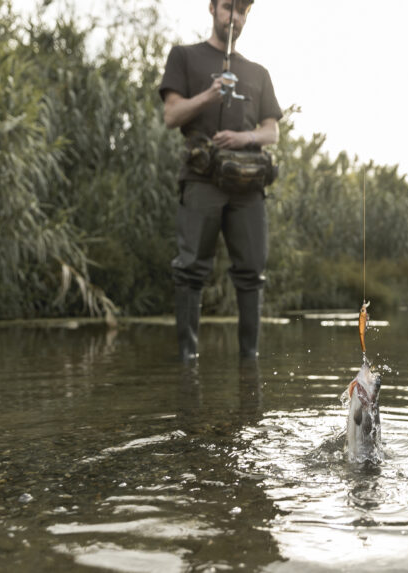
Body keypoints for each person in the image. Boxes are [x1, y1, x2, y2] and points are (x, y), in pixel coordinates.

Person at [158, 0, 282, 362]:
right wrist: (210, 94)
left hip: (248, 185)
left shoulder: (258, 72)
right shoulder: (184, 57)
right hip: (201, 179)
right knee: (191, 270)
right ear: (212, 9)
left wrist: (243, 138)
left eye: (242, 11)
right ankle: (188, 360)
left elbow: (271, 132)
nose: (235, 18)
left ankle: (250, 360)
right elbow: (171, 115)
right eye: (228, 8)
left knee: (252, 273)